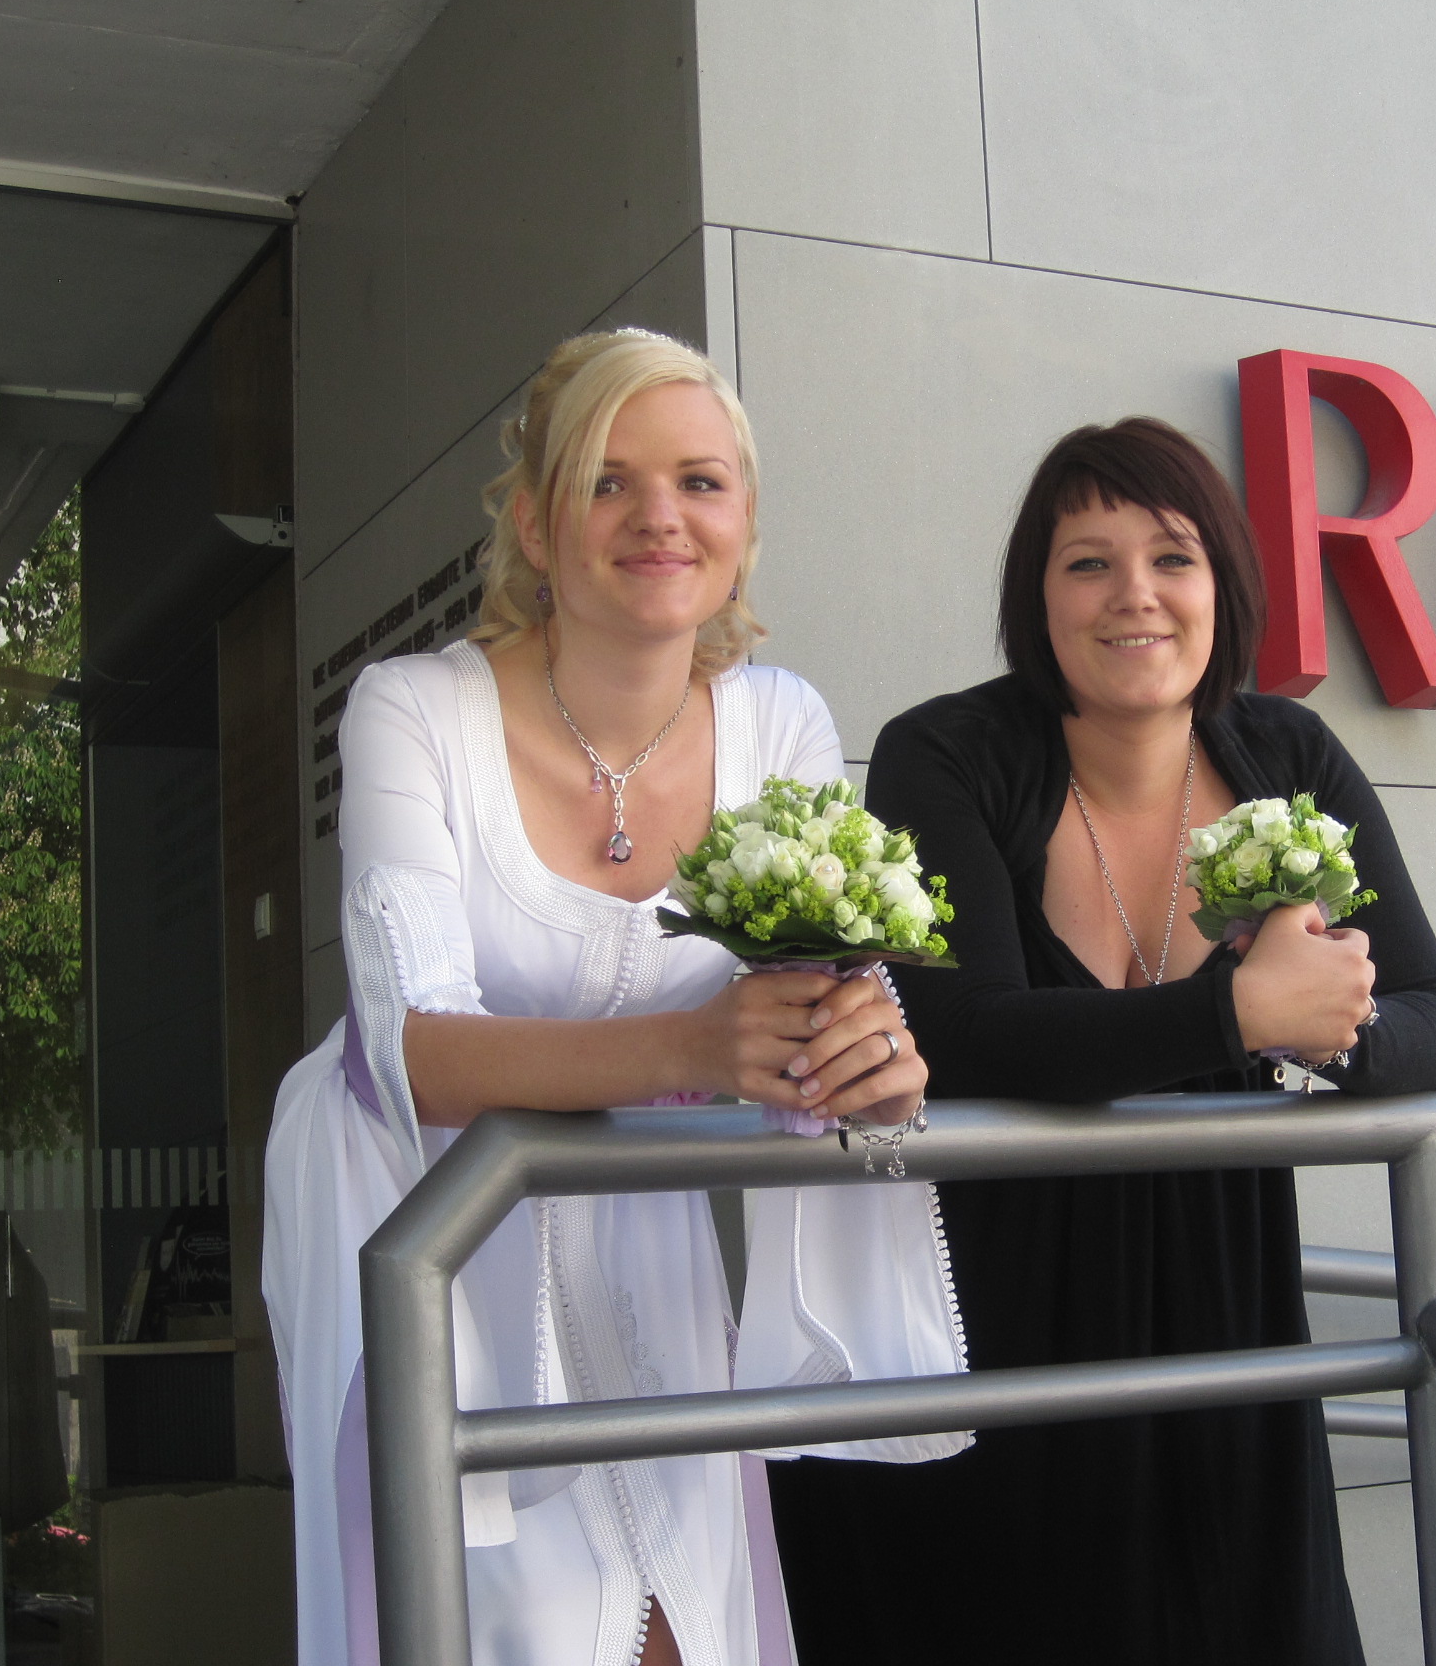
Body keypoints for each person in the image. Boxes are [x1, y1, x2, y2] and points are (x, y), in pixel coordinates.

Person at [263, 329, 968, 1666]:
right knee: (502, 1621)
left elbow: (820, 992)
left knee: (681, 1613)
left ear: (743, 523)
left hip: (639, 1210)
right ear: (535, 525)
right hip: (421, 1204)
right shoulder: (409, 709)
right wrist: (697, 1045)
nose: (659, 516)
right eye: (607, 481)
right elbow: (412, 1050)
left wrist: (865, 1058)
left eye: (700, 481)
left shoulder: (780, 721)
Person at [765, 417, 1436, 1665]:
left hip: (1227, 1325)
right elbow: (966, 1033)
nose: (1132, 594)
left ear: (1223, 586)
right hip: (991, 1324)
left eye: (1172, 558)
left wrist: (1331, 1026)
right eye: (1087, 562)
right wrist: (1239, 1013)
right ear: (1035, 597)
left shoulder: (1287, 751)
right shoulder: (948, 752)